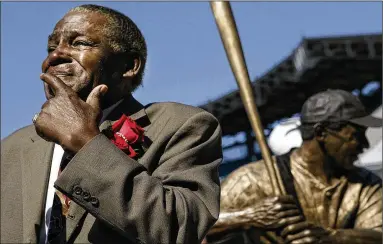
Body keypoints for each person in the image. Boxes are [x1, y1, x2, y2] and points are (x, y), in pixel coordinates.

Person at [1, 4, 222, 244]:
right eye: (51, 47)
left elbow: (178, 230)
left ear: (128, 66)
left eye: (79, 43)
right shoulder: (11, 149)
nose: (55, 56)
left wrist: (86, 143)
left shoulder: (182, 126)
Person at [206, 89, 382, 244]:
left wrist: (330, 238)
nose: (365, 145)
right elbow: (196, 225)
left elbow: (378, 235)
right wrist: (250, 216)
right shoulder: (254, 179)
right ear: (321, 133)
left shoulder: (366, 183)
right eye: (355, 136)